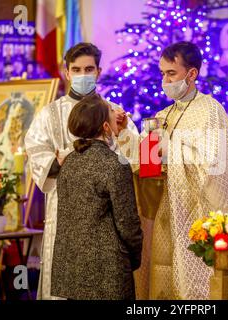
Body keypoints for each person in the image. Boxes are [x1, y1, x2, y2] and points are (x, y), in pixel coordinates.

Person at [117, 41, 228, 299]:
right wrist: (124, 133)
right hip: (165, 212)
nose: (165, 80)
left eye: (171, 74)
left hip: (193, 215)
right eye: (163, 73)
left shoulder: (210, 111)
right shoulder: (163, 115)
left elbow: (213, 165)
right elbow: (143, 162)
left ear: (192, 74)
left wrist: (172, 148)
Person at [25, 42, 138, 300]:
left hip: (104, 218)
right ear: (67, 72)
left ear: (98, 71)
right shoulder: (49, 114)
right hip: (64, 209)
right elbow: (35, 151)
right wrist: (62, 162)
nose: (83, 74)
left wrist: (121, 135)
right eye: (76, 69)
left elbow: (131, 160)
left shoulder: (114, 112)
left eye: (89, 69)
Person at [51, 94, 143, 300]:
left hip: (71, 270)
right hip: (107, 271)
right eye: (111, 112)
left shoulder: (69, 163)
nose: (118, 114)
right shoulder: (115, 164)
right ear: (105, 127)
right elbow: (128, 223)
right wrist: (134, 258)